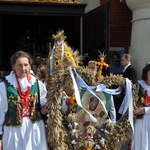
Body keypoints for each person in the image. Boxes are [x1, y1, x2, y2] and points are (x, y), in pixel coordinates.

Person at [0, 51, 48, 150]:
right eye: (19, 65)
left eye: (26, 65)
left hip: (35, 129)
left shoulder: (37, 84)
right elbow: (1, 111)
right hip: (13, 131)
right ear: (13, 66)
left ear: (30, 66)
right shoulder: (4, 86)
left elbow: (43, 101)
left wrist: (45, 108)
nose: (23, 68)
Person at [132, 64, 150, 150]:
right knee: (139, 142)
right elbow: (130, 102)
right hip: (140, 120)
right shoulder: (138, 86)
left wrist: (145, 110)